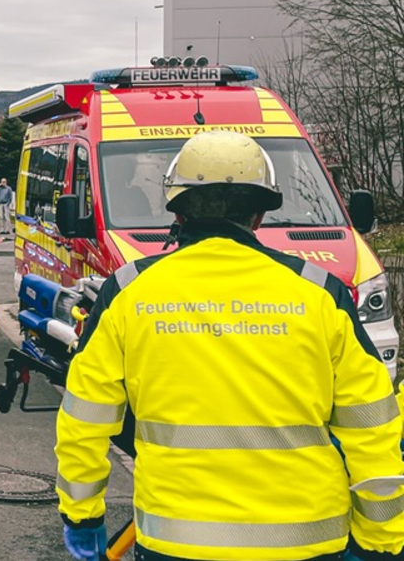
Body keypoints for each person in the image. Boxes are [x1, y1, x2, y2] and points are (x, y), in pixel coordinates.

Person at [55, 130, 404, 561]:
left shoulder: (129, 292)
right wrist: (380, 538)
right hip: (307, 541)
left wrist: (82, 515)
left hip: (176, 541)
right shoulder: (320, 293)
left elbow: (84, 420)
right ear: (259, 214)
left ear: (177, 210)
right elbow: (372, 426)